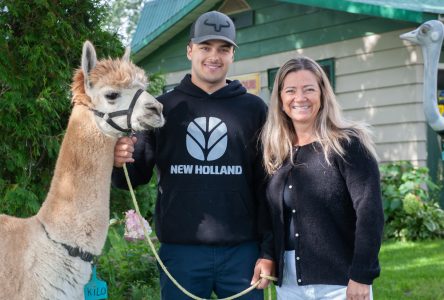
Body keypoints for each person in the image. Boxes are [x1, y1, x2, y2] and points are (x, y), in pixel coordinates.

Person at [112, 10, 274, 300]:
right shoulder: (161, 108)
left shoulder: (254, 110)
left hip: (241, 253)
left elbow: (266, 186)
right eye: (205, 47)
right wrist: (117, 160)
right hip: (181, 252)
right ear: (190, 51)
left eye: (223, 49)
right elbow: (132, 178)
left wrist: (267, 250)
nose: (214, 56)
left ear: (232, 55)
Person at [261, 57, 384, 300]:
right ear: (280, 100)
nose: (300, 98)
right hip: (289, 285)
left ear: (323, 94)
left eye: (309, 89)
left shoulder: (348, 144)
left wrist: (361, 275)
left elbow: (370, 213)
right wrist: (267, 255)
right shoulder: (276, 152)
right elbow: (270, 216)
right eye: (290, 91)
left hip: (341, 283)